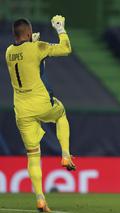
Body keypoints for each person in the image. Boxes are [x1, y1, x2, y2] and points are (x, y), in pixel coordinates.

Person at [5, 16, 75, 212]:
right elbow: (65, 48)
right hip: (41, 103)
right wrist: (60, 29)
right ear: (28, 33)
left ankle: (40, 198)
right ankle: (66, 155)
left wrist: (32, 42)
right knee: (61, 114)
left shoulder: (8, 52)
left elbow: (27, 59)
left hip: (21, 110)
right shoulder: (37, 48)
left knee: (33, 155)